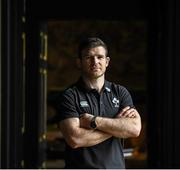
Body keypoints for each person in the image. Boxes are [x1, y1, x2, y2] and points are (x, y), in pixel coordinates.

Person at [56, 37, 142, 169]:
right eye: (88, 57)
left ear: (107, 61)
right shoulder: (70, 95)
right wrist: (117, 127)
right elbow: (75, 139)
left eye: (100, 57)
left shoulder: (120, 92)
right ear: (79, 62)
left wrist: (94, 121)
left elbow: (135, 129)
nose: (95, 62)